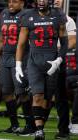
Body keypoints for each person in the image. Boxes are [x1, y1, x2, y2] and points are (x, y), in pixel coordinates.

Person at [15, 0, 68, 139]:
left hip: (52, 62)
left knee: (48, 99)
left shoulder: (58, 15)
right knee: (37, 95)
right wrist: (18, 64)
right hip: (34, 62)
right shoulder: (28, 16)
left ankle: (41, 126)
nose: (41, 1)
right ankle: (39, 130)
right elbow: (21, 43)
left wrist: (59, 60)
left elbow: (64, 43)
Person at [0, 0, 35, 135]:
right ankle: (14, 125)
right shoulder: (4, 14)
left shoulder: (27, 14)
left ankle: (30, 126)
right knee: (6, 91)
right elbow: (2, 39)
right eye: (9, 1)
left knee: (21, 92)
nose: (11, 4)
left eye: (15, 1)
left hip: (21, 58)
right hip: (6, 57)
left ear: (22, 3)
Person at [53, 0, 76, 139]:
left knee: (59, 96)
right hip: (40, 59)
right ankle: (34, 127)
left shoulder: (68, 20)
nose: (56, 0)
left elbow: (72, 41)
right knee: (38, 94)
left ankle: (63, 130)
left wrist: (57, 51)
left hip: (58, 61)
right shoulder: (39, 17)